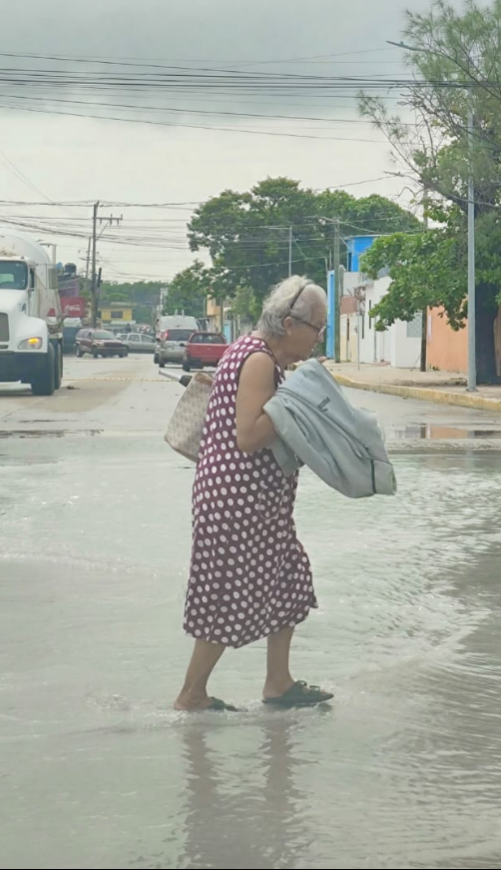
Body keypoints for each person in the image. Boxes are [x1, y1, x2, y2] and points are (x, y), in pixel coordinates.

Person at [174, 275, 335, 711]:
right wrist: (297, 402)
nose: (320, 337)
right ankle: (191, 695)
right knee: (225, 594)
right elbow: (249, 435)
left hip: (254, 502)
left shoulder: (255, 354)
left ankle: (278, 683)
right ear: (288, 323)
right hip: (237, 502)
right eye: (317, 327)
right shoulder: (259, 361)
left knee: (290, 583)